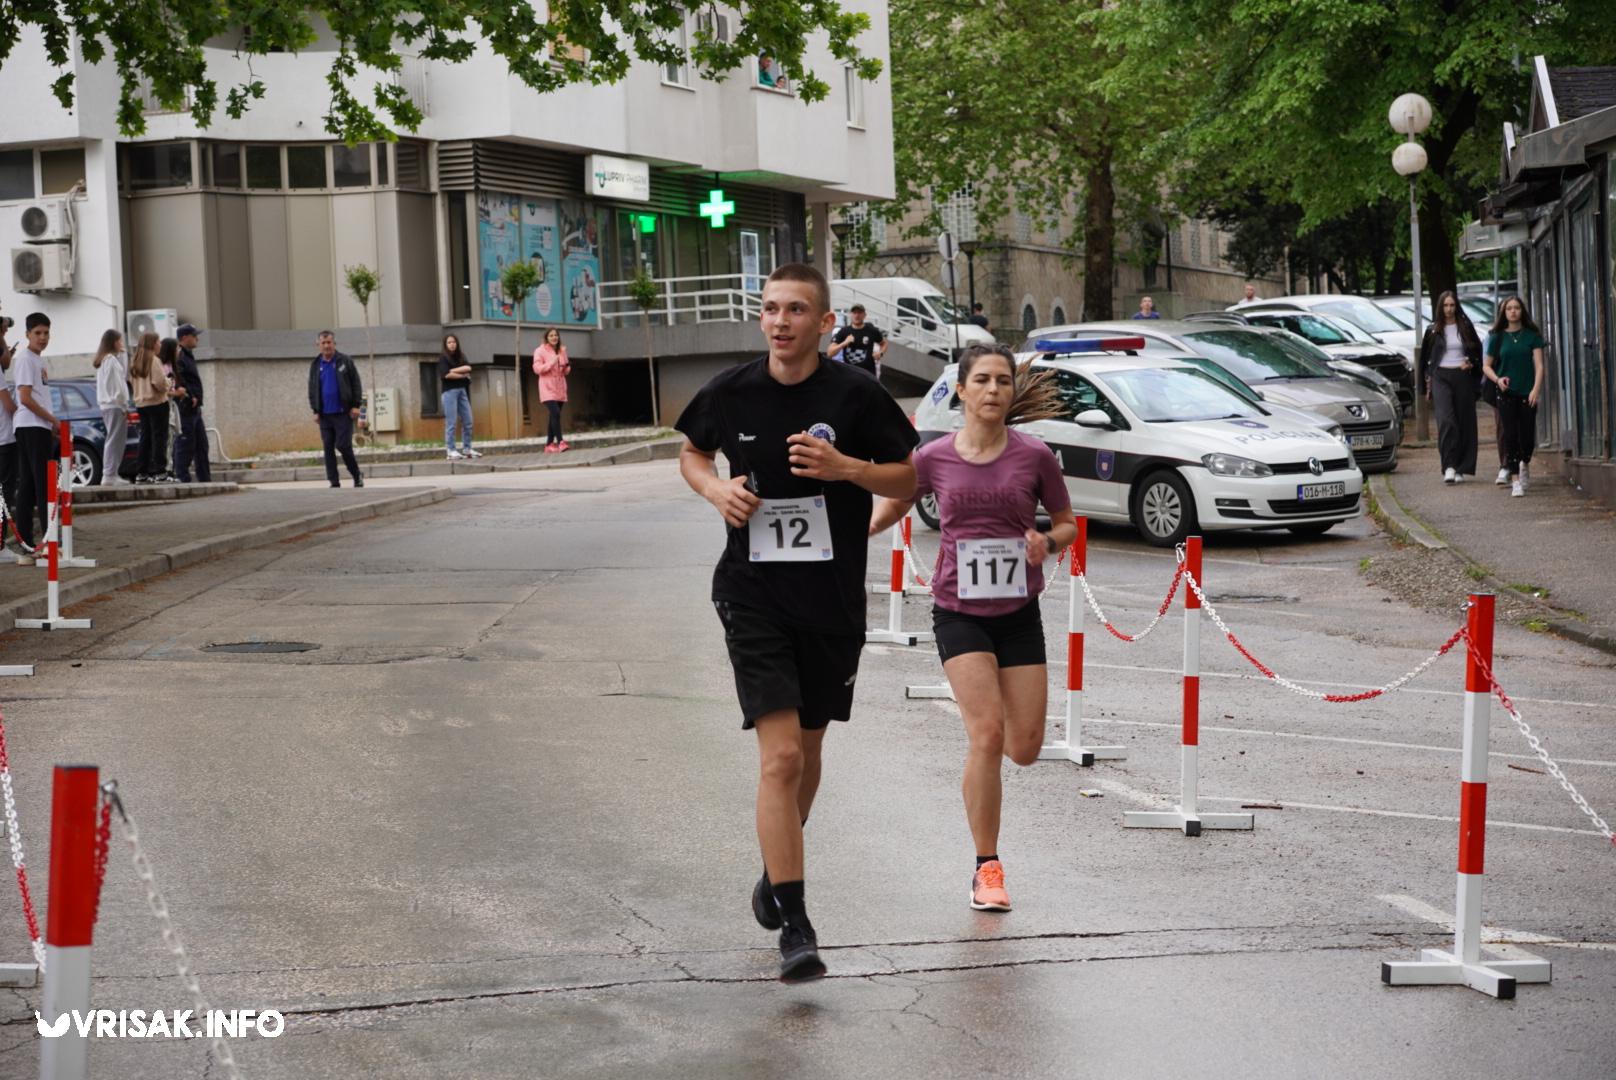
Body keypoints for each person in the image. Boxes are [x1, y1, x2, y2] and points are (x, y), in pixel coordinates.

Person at [675, 263, 917, 982]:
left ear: (823, 321)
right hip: (752, 594)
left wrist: (848, 470)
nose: (781, 321)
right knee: (779, 757)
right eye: (771, 309)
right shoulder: (731, 390)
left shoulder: (855, 394)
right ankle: (799, 926)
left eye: (797, 310)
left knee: (807, 755)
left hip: (831, 599)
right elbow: (690, 452)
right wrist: (716, 488)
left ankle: (776, 873)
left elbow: (912, 476)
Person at [870, 344, 1073, 912]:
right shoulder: (933, 457)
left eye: (1003, 381)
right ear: (961, 390)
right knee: (985, 735)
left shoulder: (1035, 456)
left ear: (1012, 392)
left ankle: (989, 842)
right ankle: (987, 867)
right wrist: (851, 530)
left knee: (1025, 748)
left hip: (1018, 614)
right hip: (958, 612)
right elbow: (893, 505)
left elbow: (1067, 524)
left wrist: (1046, 543)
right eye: (981, 380)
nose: (993, 390)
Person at [1483, 296, 1546, 498]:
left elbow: (1539, 366)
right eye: (1509, 308)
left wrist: (1536, 389)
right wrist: (1498, 379)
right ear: (1504, 312)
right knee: (1510, 436)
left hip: (1527, 393)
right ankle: (1515, 479)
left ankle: (1525, 462)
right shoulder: (1497, 337)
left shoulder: (1532, 335)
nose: (1512, 311)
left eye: (1516, 308)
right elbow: (1486, 366)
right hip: (1506, 394)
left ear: (1522, 311)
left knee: (1527, 438)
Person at [1420, 291, 1482, 484]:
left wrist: (1471, 362)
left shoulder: (1465, 326)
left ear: (1456, 306)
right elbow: (1424, 359)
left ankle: (1461, 467)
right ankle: (1449, 465)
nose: (1449, 309)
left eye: (1452, 305)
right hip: (1440, 376)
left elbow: (1477, 350)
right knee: (1446, 420)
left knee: (1464, 421)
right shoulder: (1432, 330)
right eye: (1445, 306)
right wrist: (1423, 387)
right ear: (1440, 307)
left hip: (1462, 375)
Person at [10, 313, 58, 562]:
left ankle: (27, 545)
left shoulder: (38, 360)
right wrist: (52, 420)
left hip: (37, 426)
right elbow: (25, 398)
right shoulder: (25, 359)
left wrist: (49, 422)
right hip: (31, 425)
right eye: (37, 333)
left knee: (29, 484)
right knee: (42, 483)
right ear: (27, 334)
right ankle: (47, 542)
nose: (42, 338)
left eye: (46, 333)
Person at [307, 331, 365, 488]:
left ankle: (356, 474)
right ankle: (334, 481)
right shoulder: (315, 365)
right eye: (323, 343)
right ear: (318, 345)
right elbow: (312, 389)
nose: (326, 346)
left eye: (329, 342)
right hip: (325, 415)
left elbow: (356, 384)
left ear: (334, 344)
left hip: (342, 413)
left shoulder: (344, 361)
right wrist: (315, 410)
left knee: (343, 445)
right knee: (328, 448)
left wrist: (356, 405)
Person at [129, 333, 173, 484]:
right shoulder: (154, 360)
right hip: (157, 403)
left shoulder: (135, 361)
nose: (160, 344)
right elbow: (159, 383)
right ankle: (160, 472)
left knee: (145, 438)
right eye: (158, 341)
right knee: (159, 438)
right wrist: (169, 382)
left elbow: (131, 382)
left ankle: (142, 473)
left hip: (141, 404)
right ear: (153, 344)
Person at [171, 324, 211, 482]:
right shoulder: (180, 355)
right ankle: (182, 478)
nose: (197, 338)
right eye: (194, 336)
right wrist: (191, 395)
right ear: (184, 338)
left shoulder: (188, 355)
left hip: (195, 409)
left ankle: (205, 480)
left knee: (201, 446)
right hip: (186, 408)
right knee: (185, 445)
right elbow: (179, 377)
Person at [92, 329, 130, 485]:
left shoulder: (104, 360)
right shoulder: (111, 361)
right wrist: (123, 404)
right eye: (120, 341)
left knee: (113, 438)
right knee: (115, 440)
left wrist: (124, 354)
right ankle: (110, 474)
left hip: (108, 405)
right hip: (115, 405)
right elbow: (119, 385)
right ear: (114, 342)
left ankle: (111, 473)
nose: (122, 344)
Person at [438, 334, 481, 460]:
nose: (452, 344)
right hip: (449, 392)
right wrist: (462, 375)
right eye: (449, 342)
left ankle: (467, 449)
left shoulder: (461, 356)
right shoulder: (443, 358)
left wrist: (453, 370)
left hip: (462, 391)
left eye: (454, 342)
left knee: (468, 421)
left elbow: (468, 367)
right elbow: (446, 375)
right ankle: (450, 450)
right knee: (451, 422)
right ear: (445, 345)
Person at [534, 328, 571, 453]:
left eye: (556, 335)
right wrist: (552, 361)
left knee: (553, 416)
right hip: (547, 387)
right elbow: (537, 369)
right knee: (555, 413)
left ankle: (549, 444)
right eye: (551, 335)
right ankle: (560, 442)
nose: (554, 337)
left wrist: (565, 361)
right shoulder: (539, 351)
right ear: (546, 337)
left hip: (560, 387)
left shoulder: (561, 350)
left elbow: (565, 371)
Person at [825, 303, 886, 378]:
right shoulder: (844, 331)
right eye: (854, 313)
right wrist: (844, 343)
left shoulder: (872, 331)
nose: (857, 315)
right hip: (850, 374)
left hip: (868, 374)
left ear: (864, 315)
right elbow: (829, 353)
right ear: (850, 314)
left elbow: (884, 343)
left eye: (859, 313)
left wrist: (880, 353)